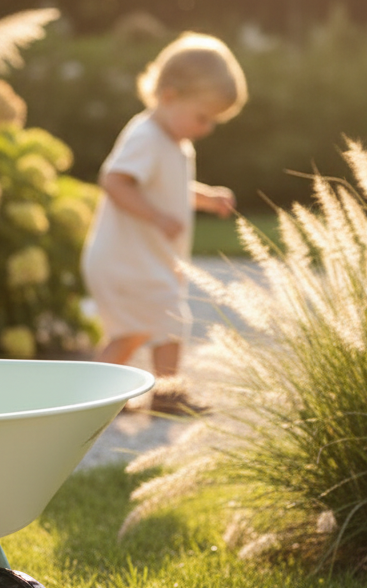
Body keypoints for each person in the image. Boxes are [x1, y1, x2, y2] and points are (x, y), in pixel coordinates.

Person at [81, 32, 248, 414]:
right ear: (169, 95)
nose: (207, 128)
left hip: (145, 260)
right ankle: (152, 394)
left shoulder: (175, 143)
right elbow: (114, 180)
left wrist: (204, 197)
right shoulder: (147, 136)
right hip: (125, 260)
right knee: (152, 324)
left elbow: (168, 187)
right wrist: (155, 215)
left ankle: (112, 394)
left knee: (147, 326)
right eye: (203, 117)